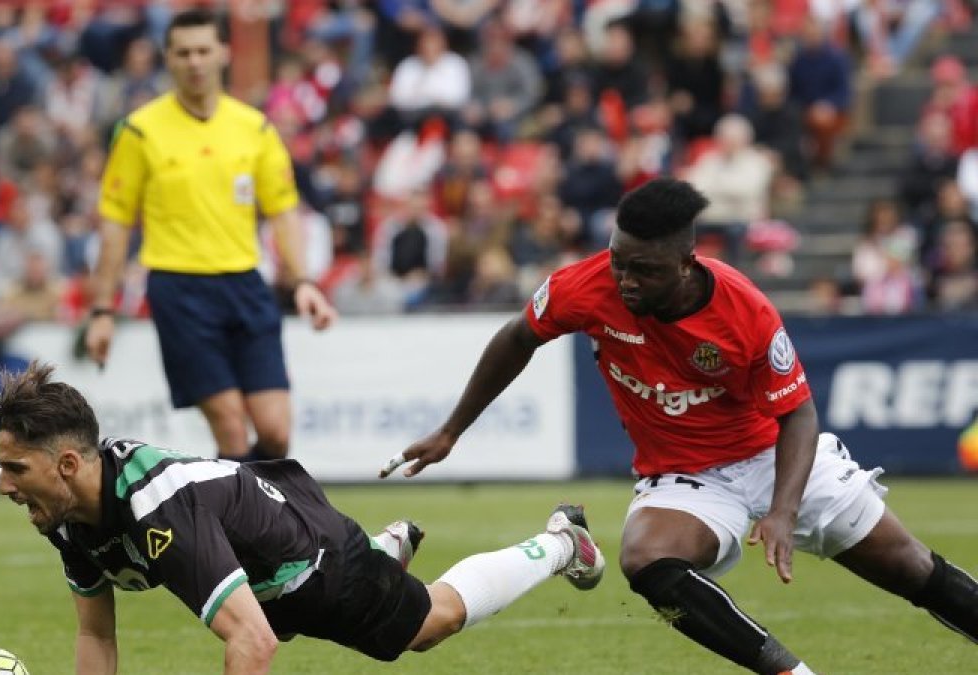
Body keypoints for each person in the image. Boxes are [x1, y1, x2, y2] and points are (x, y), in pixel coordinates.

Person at [385, 178, 978, 674]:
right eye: (618, 262)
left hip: (771, 454)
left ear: (685, 263)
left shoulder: (745, 310)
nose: (625, 280)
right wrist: (452, 430)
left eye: (643, 270)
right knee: (646, 558)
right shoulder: (585, 285)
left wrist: (783, 510)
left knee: (911, 569)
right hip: (685, 476)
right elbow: (518, 338)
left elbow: (797, 412)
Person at [0, 362, 605, 674]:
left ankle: (560, 542)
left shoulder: (160, 512)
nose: (4, 486)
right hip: (258, 554)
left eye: (15, 469)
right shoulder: (67, 516)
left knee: (429, 624)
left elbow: (254, 644)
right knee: (261, 610)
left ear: (66, 464)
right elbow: (95, 638)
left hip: (313, 565)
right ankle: (384, 551)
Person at [85, 10, 337, 463]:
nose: (195, 62)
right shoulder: (140, 131)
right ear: (168, 58)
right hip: (179, 289)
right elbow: (115, 223)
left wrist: (303, 282)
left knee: (276, 433)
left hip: (245, 282)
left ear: (224, 52)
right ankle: (244, 507)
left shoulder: (254, 128)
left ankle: (239, 498)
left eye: (203, 50)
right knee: (232, 429)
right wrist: (103, 310)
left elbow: (283, 211)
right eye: (183, 53)